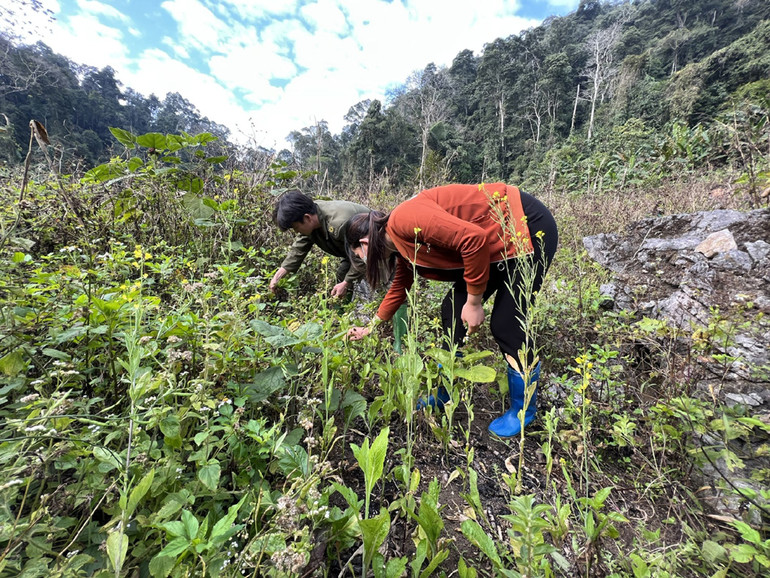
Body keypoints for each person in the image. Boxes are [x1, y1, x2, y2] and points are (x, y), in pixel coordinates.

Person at [345, 183, 558, 438]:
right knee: (452, 308)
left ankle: (523, 411)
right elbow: (400, 287)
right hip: (494, 246)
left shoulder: (403, 219)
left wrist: (475, 302)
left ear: (365, 242)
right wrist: (372, 326)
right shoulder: (400, 244)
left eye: (359, 255)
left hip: (525, 227)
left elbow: (473, 239)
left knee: (507, 323)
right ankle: (445, 391)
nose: (362, 261)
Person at [270, 190, 370, 299]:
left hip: (379, 248)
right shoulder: (311, 216)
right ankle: (343, 311)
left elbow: (366, 253)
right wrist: (277, 277)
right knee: (342, 276)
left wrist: (347, 283)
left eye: (296, 228)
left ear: (307, 218)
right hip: (354, 251)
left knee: (363, 285)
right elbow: (298, 250)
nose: (296, 232)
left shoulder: (339, 224)